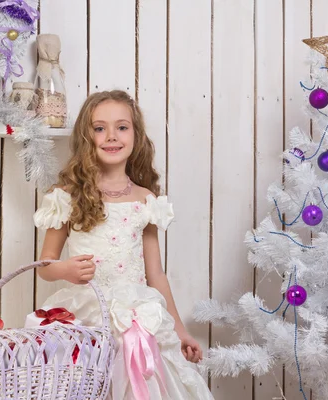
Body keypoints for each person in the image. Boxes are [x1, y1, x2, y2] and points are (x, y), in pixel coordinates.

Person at [34, 90, 214, 399]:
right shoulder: (67, 196)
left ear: (136, 135)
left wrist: (181, 331)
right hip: (87, 313)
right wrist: (64, 269)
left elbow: (156, 274)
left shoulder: (146, 199)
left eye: (122, 127)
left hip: (138, 315)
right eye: (99, 128)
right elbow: (45, 265)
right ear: (86, 136)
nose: (111, 137)